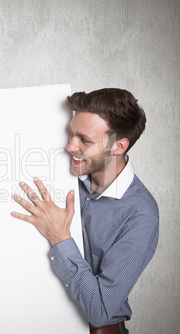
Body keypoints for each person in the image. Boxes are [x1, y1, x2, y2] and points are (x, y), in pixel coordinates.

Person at [11, 88, 159, 334]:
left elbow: (100, 310)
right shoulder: (62, 177)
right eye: (71, 134)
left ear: (118, 146)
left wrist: (60, 237)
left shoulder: (141, 215)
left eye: (84, 140)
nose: (69, 146)